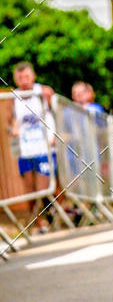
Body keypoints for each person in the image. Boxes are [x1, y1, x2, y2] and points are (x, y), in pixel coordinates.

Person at [7, 62, 56, 232]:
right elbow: (12, 120)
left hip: (44, 148)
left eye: (27, 76)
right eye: (20, 77)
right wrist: (13, 129)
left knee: (43, 188)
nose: (24, 80)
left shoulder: (42, 92)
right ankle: (39, 222)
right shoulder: (13, 97)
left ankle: (49, 217)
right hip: (26, 149)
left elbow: (54, 110)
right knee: (30, 189)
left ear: (33, 76)